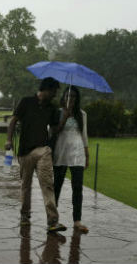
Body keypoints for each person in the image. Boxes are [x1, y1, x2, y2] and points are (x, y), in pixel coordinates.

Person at [5, 77, 66, 232]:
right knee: (25, 186)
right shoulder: (26, 102)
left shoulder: (51, 108)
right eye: (53, 92)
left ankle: (52, 221)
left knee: (47, 184)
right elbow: (13, 121)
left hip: (43, 150)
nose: (54, 95)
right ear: (46, 89)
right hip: (25, 151)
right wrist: (8, 140)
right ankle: (25, 216)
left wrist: (64, 119)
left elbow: (54, 131)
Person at [53, 86, 89, 233]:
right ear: (63, 97)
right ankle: (53, 219)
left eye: (73, 96)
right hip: (61, 153)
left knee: (77, 187)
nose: (70, 99)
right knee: (57, 186)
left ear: (77, 98)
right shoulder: (58, 113)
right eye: (68, 96)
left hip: (77, 153)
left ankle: (77, 220)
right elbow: (53, 131)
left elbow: (84, 135)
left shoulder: (82, 114)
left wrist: (87, 155)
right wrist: (64, 117)